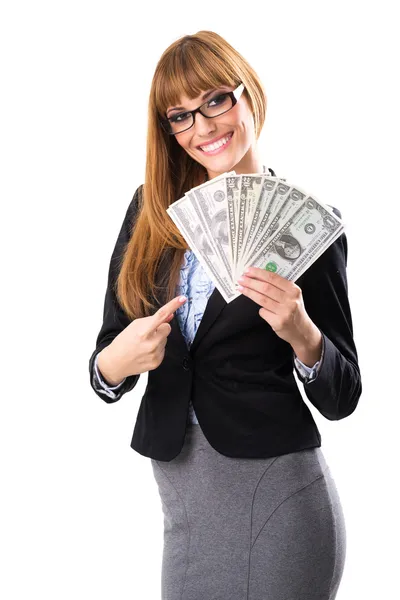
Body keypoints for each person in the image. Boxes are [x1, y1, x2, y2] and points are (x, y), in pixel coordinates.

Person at [88, 30, 362, 600]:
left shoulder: (307, 223)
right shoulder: (149, 214)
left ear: (249, 94)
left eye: (217, 100)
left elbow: (344, 396)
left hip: (278, 492)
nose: (204, 127)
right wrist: (117, 362)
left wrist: (303, 334)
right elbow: (105, 363)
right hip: (182, 497)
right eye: (181, 116)